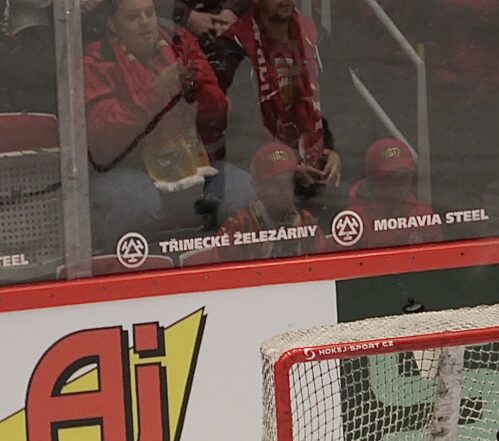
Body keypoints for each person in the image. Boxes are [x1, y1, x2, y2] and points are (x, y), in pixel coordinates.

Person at [84, 0, 253, 242]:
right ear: (112, 24)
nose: (144, 22)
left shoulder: (181, 42)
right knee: (138, 204)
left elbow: (218, 119)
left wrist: (200, 90)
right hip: (129, 169)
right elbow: (102, 137)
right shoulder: (97, 58)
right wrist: (155, 93)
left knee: (245, 190)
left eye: (149, 13)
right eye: (133, 17)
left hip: (191, 164)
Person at [228, 0, 340, 206]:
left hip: (318, 171)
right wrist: (283, 167)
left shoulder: (316, 36)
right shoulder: (233, 46)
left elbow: (345, 104)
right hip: (264, 179)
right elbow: (234, 132)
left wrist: (334, 152)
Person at [216, 139, 316, 260]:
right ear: (257, 185)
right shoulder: (238, 225)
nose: (284, 190)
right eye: (274, 183)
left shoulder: (306, 221)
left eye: (288, 181)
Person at [345, 137, 443, 248]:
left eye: (404, 176)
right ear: (373, 179)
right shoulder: (352, 222)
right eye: (390, 177)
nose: (398, 184)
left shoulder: (423, 217)